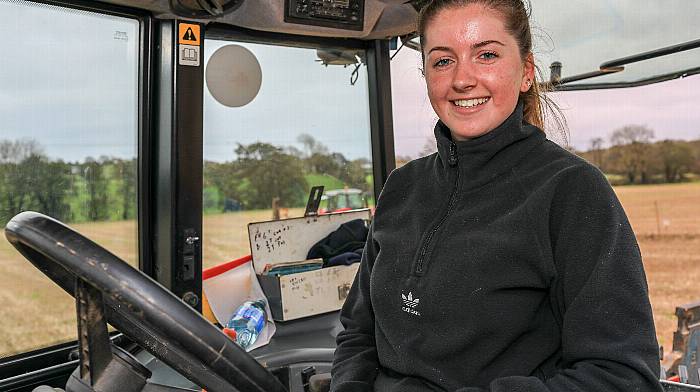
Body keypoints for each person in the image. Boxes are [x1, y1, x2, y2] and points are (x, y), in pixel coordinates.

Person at [330, 0, 663, 391]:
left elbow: (622, 377)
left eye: (486, 55)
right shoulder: (402, 188)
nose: (462, 79)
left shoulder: (572, 191)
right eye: (442, 61)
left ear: (525, 72)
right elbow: (357, 332)